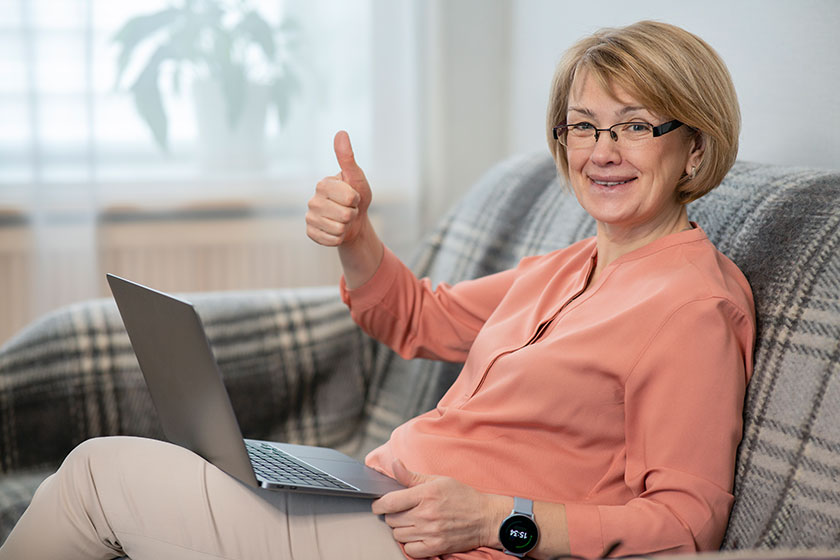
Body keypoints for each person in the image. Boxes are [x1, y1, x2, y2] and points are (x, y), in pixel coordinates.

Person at [0, 20, 754, 560]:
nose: (602, 151)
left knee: (96, 476)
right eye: (584, 126)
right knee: (142, 474)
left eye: (634, 127)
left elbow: (687, 524)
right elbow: (419, 317)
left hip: (441, 547)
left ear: (694, 149)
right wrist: (357, 236)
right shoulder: (566, 267)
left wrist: (496, 519)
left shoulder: (691, 308)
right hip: (378, 496)